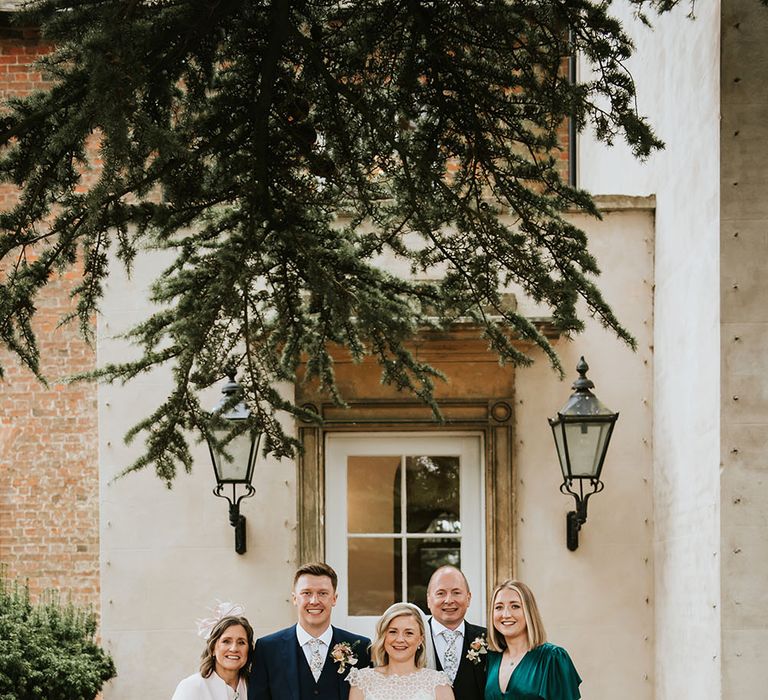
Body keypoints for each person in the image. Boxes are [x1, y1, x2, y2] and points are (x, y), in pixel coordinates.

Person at [248, 562, 371, 700]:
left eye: (322, 593)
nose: (314, 601)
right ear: (295, 599)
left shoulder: (361, 648)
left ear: (334, 599)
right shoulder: (267, 649)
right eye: (306, 593)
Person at [484, 580, 581, 700]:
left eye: (515, 606)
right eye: (498, 607)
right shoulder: (490, 659)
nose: (506, 614)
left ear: (529, 612)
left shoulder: (553, 658)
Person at [347, 602, 453, 700]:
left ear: (420, 639)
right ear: (384, 636)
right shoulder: (363, 680)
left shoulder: (438, 683)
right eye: (393, 632)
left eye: (409, 633)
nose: (400, 639)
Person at [426, 566, 487, 700]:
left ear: (469, 598)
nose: (449, 600)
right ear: (429, 599)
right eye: (440, 593)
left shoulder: (489, 640)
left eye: (456, 592)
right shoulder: (414, 639)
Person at [172, 614, 254, 700]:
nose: (234, 649)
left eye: (241, 642)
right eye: (226, 641)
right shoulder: (191, 687)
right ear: (213, 648)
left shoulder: (254, 685)